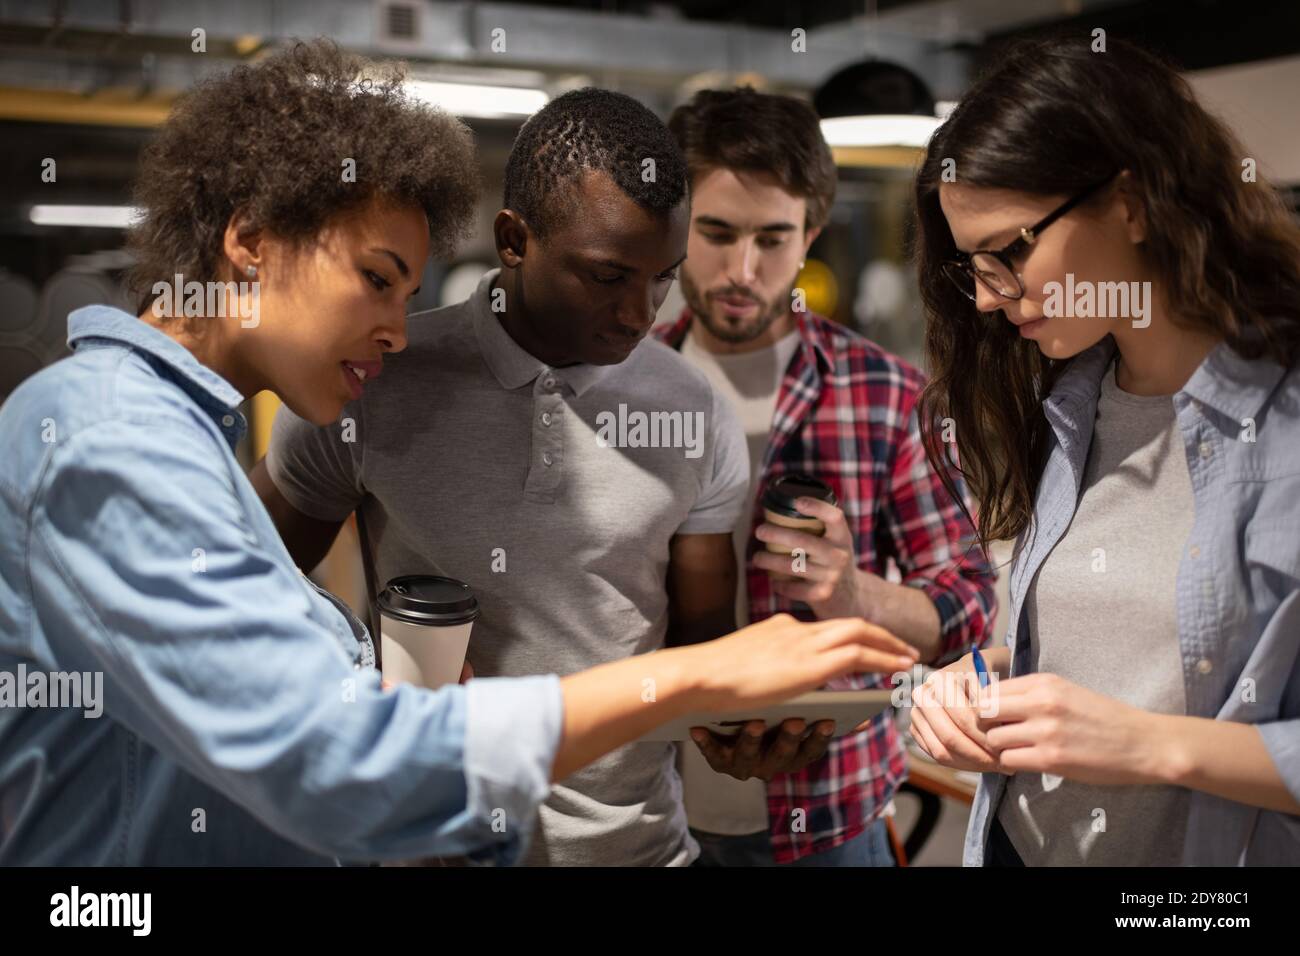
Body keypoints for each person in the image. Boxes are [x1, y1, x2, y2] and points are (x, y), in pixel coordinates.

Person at [0, 40, 922, 866]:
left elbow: (270, 687)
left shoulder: (179, 436)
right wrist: (695, 677)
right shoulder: (111, 442)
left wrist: (385, 680)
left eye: (407, 292)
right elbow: (335, 758)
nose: (398, 333)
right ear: (249, 241)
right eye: (375, 279)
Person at [907, 34, 1300, 865]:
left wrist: (1150, 744)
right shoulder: (1063, 404)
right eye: (970, 266)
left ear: (1131, 200)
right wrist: (972, 677)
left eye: (1010, 251)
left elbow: (1155, 709)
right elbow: (1128, 638)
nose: (983, 298)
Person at [656, 87, 997, 866]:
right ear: (677, 228)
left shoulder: (886, 393)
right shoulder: (623, 386)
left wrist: (857, 594)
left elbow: (969, 608)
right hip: (655, 811)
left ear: (810, 233)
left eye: (773, 238)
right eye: (716, 233)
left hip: (832, 816)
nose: (743, 269)